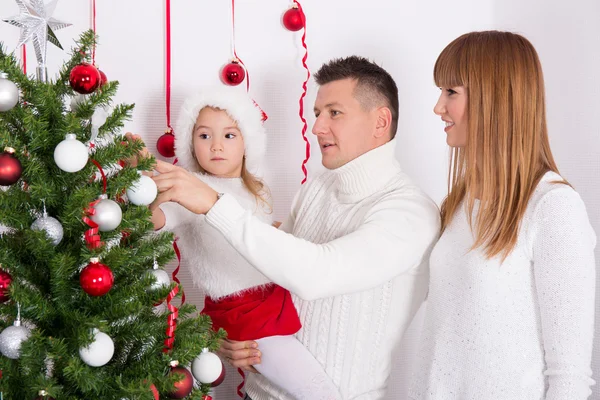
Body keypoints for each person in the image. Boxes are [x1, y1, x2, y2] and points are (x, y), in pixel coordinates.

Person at [150, 56, 441, 399]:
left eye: (334, 112)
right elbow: (267, 265)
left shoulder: (410, 213)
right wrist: (232, 338)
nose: (317, 127)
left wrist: (213, 203)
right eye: (317, 113)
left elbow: (317, 274)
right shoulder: (316, 188)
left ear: (380, 122)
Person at [408, 31, 596, 399]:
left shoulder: (553, 208)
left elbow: (569, 376)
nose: (438, 107)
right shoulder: (459, 203)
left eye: (451, 92)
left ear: (493, 97)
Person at [129, 87, 341, 399]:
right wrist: (144, 185)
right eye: (204, 136)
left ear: (246, 143)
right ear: (191, 143)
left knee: (308, 378)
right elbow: (155, 221)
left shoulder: (257, 189)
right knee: (315, 389)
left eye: (228, 135)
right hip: (245, 314)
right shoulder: (189, 190)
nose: (216, 145)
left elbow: (263, 235)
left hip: (274, 297)